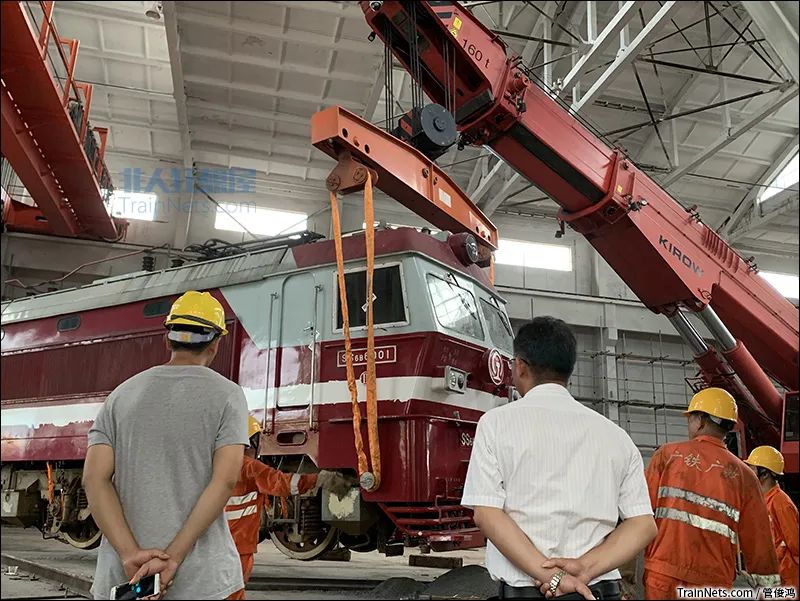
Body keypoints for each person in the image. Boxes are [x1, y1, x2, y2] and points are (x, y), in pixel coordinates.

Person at [462, 316, 657, 600]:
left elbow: (487, 513)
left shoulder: (496, 424)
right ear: (569, 370)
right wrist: (585, 570)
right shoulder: (616, 436)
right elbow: (643, 525)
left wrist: (551, 577)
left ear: (519, 366)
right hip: (597, 591)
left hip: (527, 591)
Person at [84, 291, 249, 599]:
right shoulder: (228, 395)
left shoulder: (122, 394)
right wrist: (173, 556)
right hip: (203, 580)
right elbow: (225, 480)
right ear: (216, 343)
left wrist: (129, 553)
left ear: (167, 340)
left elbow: (94, 479)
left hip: (124, 581)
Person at [643, 387, 780, 599]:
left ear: (700, 420)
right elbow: (759, 540)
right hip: (712, 583)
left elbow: (641, 512)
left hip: (664, 574)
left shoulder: (667, 455)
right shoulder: (745, 475)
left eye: (690, 419)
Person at [226, 417, 353, 600]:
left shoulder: (216, 466)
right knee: (233, 591)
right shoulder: (249, 467)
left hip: (219, 543)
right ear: (248, 442)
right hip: (240, 543)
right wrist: (319, 480)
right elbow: (283, 483)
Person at [744, 446, 799, 592]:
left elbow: (795, 545)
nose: (749, 472)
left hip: (785, 578)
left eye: (752, 468)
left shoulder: (780, 503)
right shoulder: (762, 500)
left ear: (765, 473)